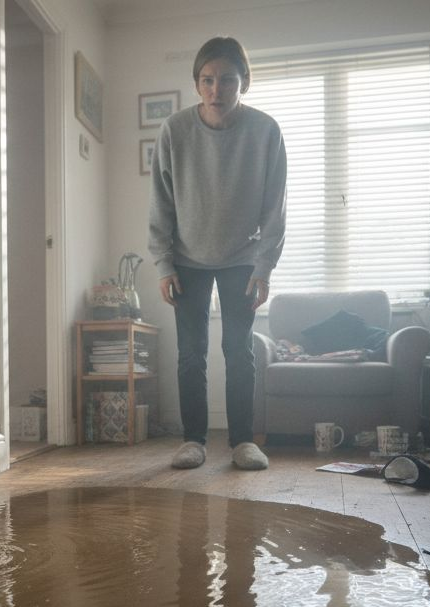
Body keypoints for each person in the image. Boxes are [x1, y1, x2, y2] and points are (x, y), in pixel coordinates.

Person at [148, 36, 287, 471]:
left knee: (239, 350)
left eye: (227, 80)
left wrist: (264, 267)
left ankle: (243, 441)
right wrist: (163, 264)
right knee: (191, 353)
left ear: (244, 82)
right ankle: (193, 440)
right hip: (186, 258)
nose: (216, 89)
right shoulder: (174, 130)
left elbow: (275, 208)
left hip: (243, 258)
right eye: (207, 80)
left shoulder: (265, 131)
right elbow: (160, 203)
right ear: (196, 84)